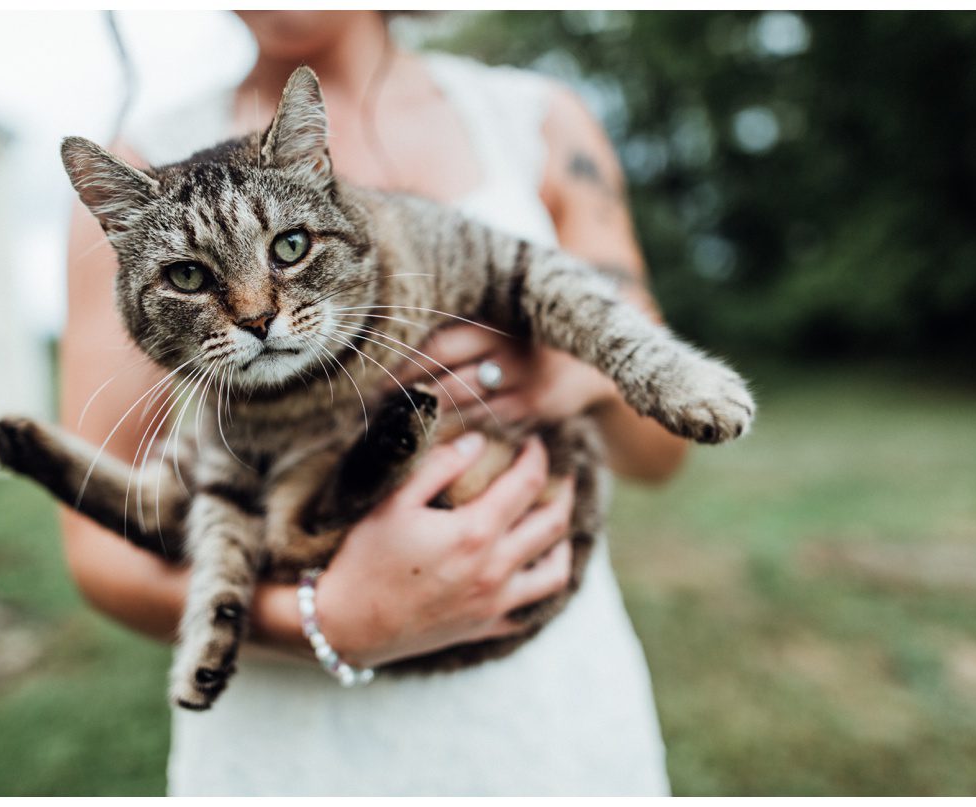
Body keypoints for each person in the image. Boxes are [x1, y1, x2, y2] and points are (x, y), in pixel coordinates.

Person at [61, 10, 688, 796]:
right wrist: (330, 618)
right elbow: (97, 547)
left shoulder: (540, 121)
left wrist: (563, 371)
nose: (255, 310)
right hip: (292, 731)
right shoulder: (142, 161)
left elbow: (663, 453)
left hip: (549, 694)